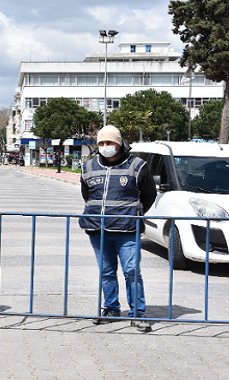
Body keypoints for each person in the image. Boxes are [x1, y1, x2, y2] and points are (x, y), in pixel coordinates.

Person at [79, 125, 156, 332]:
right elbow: (88, 195)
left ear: (119, 144)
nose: (106, 147)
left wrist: (131, 214)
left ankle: (138, 313)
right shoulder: (88, 167)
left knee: (132, 271)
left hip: (127, 230)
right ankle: (112, 309)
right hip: (98, 230)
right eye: (102, 143)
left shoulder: (138, 166)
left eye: (110, 143)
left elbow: (149, 195)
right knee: (106, 272)